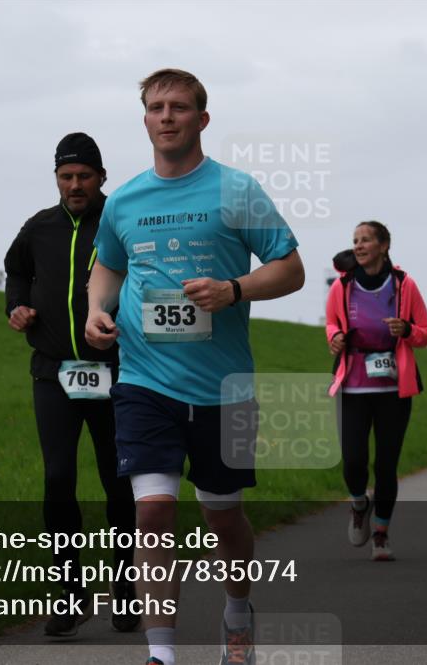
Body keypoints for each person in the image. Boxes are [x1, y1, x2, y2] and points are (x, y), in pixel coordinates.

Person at [85, 69, 304, 665]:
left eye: (180, 107)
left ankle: (237, 608)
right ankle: (162, 652)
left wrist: (234, 289)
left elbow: (289, 268)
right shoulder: (125, 199)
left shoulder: (237, 190)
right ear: (145, 119)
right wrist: (95, 309)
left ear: (202, 120)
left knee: (221, 514)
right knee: (152, 512)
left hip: (222, 387)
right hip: (143, 381)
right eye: (156, 107)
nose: (167, 116)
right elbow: (107, 265)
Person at [4, 133, 139, 635]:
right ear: (56, 179)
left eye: (84, 175)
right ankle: (70, 593)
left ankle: (125, 592)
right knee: (58, 478)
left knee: (118, 481)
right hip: (54, 373)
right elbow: (15, 272)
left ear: (102, 177)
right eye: (66, 176)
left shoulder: (121, 220)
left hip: (119, 372)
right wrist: (16, 306)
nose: (75, 184)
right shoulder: (38, 228)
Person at [326, 222, 427, 559]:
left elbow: (426, 332)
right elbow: (331, 322)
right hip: (354, 383)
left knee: (386, 464)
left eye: (366, 240)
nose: (359, 246)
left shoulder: (404, 285)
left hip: (393, 387)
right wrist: (335, 338)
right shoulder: (343, 285)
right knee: (354, 460)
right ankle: (359, 503)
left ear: (384, 245)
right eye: (355, 241)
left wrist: (407, 331)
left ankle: (382, 534)